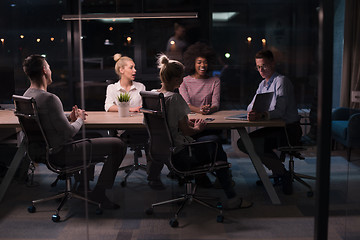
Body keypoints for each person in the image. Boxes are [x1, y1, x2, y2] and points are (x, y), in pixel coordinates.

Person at [22, 54, 127, 209]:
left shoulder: (26, 96)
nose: (51, 71)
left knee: (93, 136)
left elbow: (47, 120)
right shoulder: (50, 98)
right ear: (44, 70)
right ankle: (99, 193)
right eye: (49, 67)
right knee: (118, 145)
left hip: (42, 150)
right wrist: (80, 119)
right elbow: (69, 133)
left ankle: (83, 186)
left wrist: (68, 117)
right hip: (61, 152)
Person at [148, 53, 252, 209]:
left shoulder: (152, 95)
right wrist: (198, 127)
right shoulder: (175, 99)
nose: (183, 80)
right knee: (215, 143)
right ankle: (231, 196)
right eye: (181, 77)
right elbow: (188, 132)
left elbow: (161, 123)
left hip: (162, 152)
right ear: (176, 79)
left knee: (211, 141)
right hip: (181, 155)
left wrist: (183, 121)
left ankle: (211, 181)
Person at [237, 49, 302, 195]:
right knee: (246, 142)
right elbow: (250, 106)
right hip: (276, 128)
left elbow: (279, 111)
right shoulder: (263, 84)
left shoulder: (281, 81)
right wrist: (253, 112)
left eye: (264, 66)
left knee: (247, 143)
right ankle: (279, 171)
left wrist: (261, 115)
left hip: (288, 130)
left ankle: (282, 173)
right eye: (258, 67)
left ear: (273, 63)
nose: (260, 70)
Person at [179, 42, 220, 115]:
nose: (203, 65)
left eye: (205, 62)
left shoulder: (215, 81)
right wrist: (200, 110)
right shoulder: (184, 81)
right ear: (193, 64)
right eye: (199, 62)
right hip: (190, 119)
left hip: (209, 117)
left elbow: (215, 105)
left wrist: (209, 109)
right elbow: (186, 105)